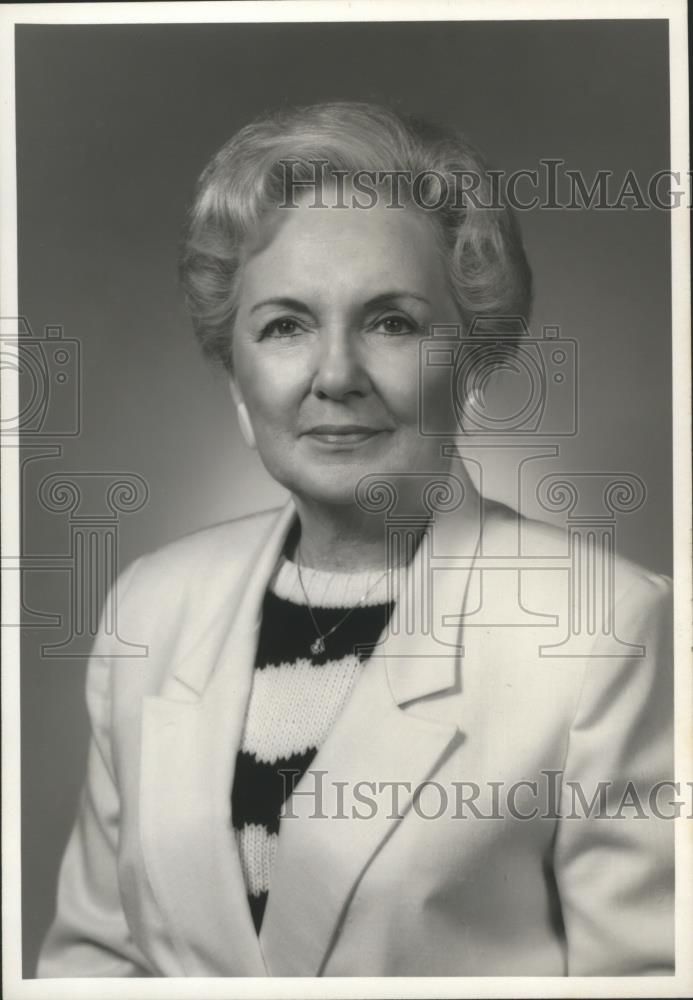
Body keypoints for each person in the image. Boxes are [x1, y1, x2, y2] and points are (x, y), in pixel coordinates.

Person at [38, 102, 673, 978]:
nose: (334, 376)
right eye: (285, 326)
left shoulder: (608, 629)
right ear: (236, 375)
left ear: (473, 363)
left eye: (392, 322)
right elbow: (94, 964)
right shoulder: (151, 605)